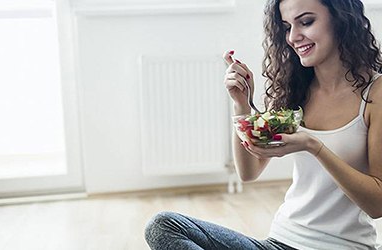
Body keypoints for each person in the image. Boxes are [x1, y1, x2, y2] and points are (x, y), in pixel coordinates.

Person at [144, 0, 382, 249]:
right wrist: (241, 104)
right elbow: (249, 172)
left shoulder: (375, 93)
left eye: (306, 22)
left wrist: (314, 146)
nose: (293, 37)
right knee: (163, 226)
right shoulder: (297, 89)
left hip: (342, 246)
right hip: (280, 241)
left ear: (341, 18)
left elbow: (377, 204)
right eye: (287, 27)